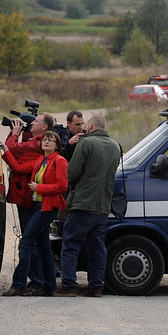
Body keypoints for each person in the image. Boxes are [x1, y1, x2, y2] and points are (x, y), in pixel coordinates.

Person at [54, 114, 121, 298]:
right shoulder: (115, 146)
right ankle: (96, 287)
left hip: (83, 203)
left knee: (70, 244)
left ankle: (68, 286)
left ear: (90, 126)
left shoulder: (86, 143)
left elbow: (73, 172)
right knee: (97, 247)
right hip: (102, 205)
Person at [1, 131, 68, 297]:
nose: (46, 142)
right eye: (44, 139)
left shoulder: (59, 161)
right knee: (44, 246)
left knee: (26, 242)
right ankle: (48, 286)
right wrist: (5, 150)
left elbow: (62, 186)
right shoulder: (40, 160)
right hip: (38, 206)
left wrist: (39, 188)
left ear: (56, 146)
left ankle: (19, 285)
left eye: (50, 140)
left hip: (48, 207)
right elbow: (18, 168)